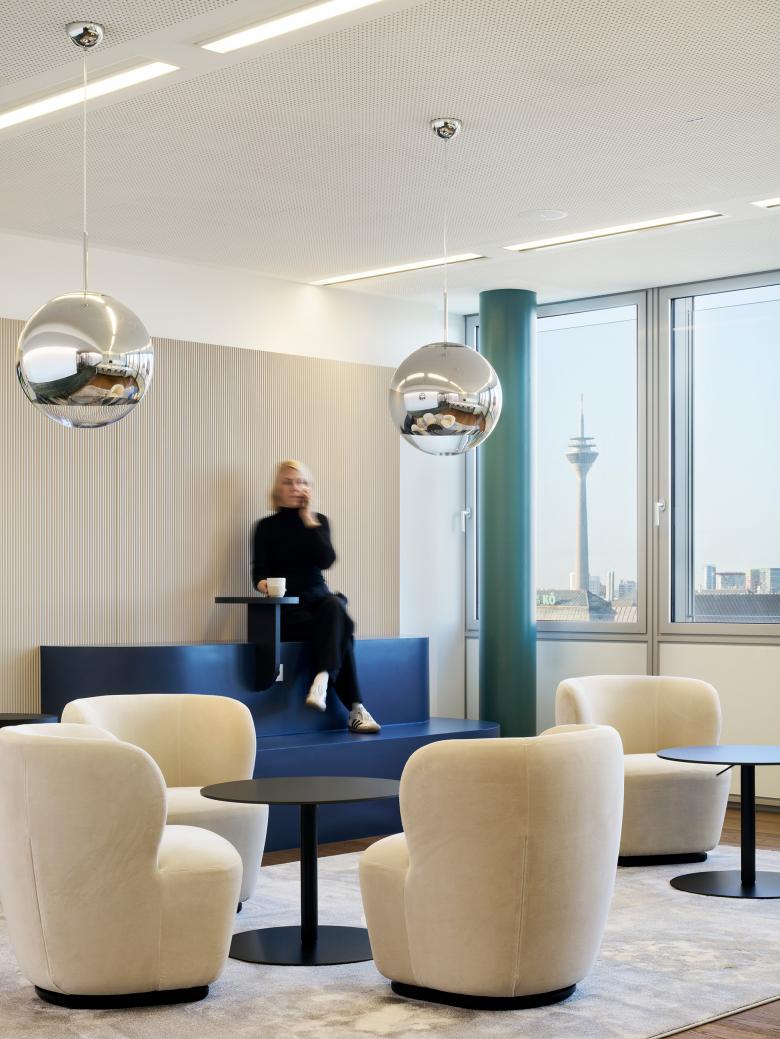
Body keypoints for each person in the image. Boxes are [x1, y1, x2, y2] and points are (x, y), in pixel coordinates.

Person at [252, 460, 380, 734]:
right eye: (288, 482)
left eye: (302, 482)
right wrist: (267, 586)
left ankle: (322, 679)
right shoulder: (265, 527)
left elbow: (326, 560)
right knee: (342, 626)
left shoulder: (318, 521)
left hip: (321, 604)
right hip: (291, 610)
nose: (295, 487)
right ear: (277, 488)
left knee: (334, 606)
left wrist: (308, 519)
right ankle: (355, 708)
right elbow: (258, 574)